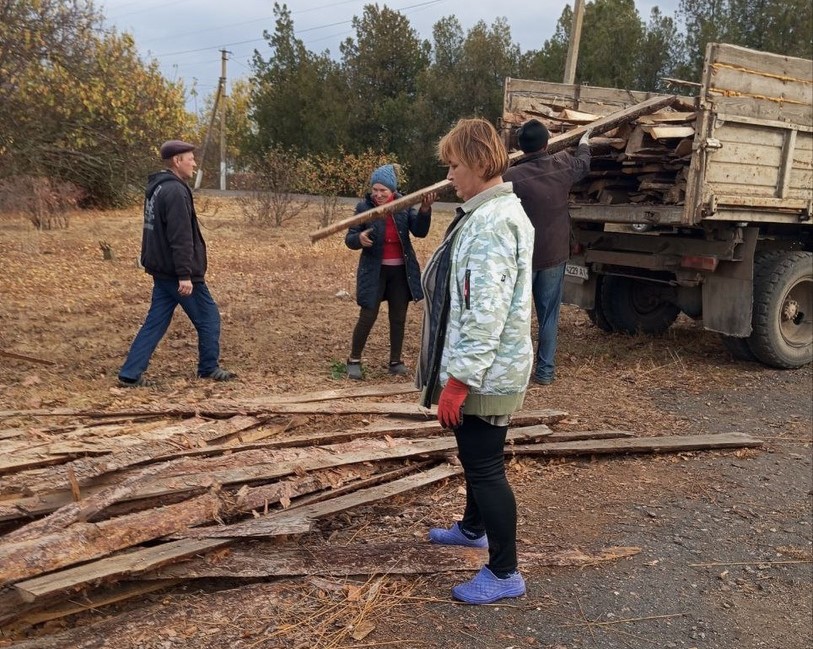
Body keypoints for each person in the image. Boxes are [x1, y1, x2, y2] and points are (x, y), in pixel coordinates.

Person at [416, 118, 534, 605]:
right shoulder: (489, 213)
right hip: (486, 366)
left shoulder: (492, 224)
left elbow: (484, 313)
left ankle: (505, 573)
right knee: (476, 457)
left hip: (485, 371)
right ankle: (472, 529)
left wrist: (459, 381)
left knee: (485, 467)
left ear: (481, 163)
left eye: (455, 165)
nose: (450, 175)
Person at [118, 140, 235, 387]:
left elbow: (153, 231)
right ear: (176, 161)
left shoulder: (158, 188)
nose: (194, 162)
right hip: (177, 272)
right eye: (190, 158)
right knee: (209, 316)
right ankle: (208, 368)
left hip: (162, 270)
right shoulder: (175, 191)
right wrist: (185, 274)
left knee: (156, 321)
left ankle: (130, 373)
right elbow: (180, 236)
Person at [503, 119, 591, 385]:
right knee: (549, 315)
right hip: (554, 255)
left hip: (522, 257)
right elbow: (583, 165)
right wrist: (584, 141)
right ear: (546, 144)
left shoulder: (511, 177)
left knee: (515, 316)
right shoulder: (562, 164)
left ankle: (513, 373)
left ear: (520, 147)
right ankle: (545, 372)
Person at [345, 164, 434, 380]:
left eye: (383, 190)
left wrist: (424, 210)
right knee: (368, 315)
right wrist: (359, 239)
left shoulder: (403, 207)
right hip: (374, 271)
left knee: (398, 317)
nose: (378, 194)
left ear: (392, 190)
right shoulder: (364, 208)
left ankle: (395, 361)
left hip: (400, 273)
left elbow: (420, 232)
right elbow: (350, 238)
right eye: (375, 190)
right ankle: (354, 360)